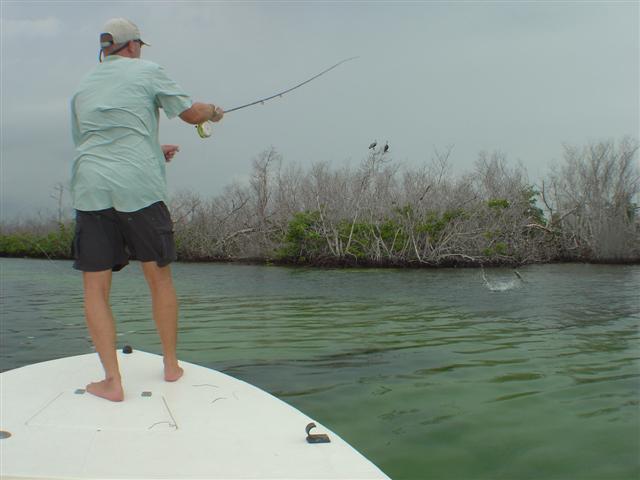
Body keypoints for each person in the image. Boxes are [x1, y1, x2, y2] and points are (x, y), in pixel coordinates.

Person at [70, 18, 223, 402]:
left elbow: (95, 142)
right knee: (160, 279)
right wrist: (212, 112)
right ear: (133, 46)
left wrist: (153, 151)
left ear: (106, 48)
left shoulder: (82, 88)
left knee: (95, 288)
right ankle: (171, 366)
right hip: (139, 188)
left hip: (91, 188)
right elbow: (190, 114)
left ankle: (112, 382)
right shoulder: (148, 71)